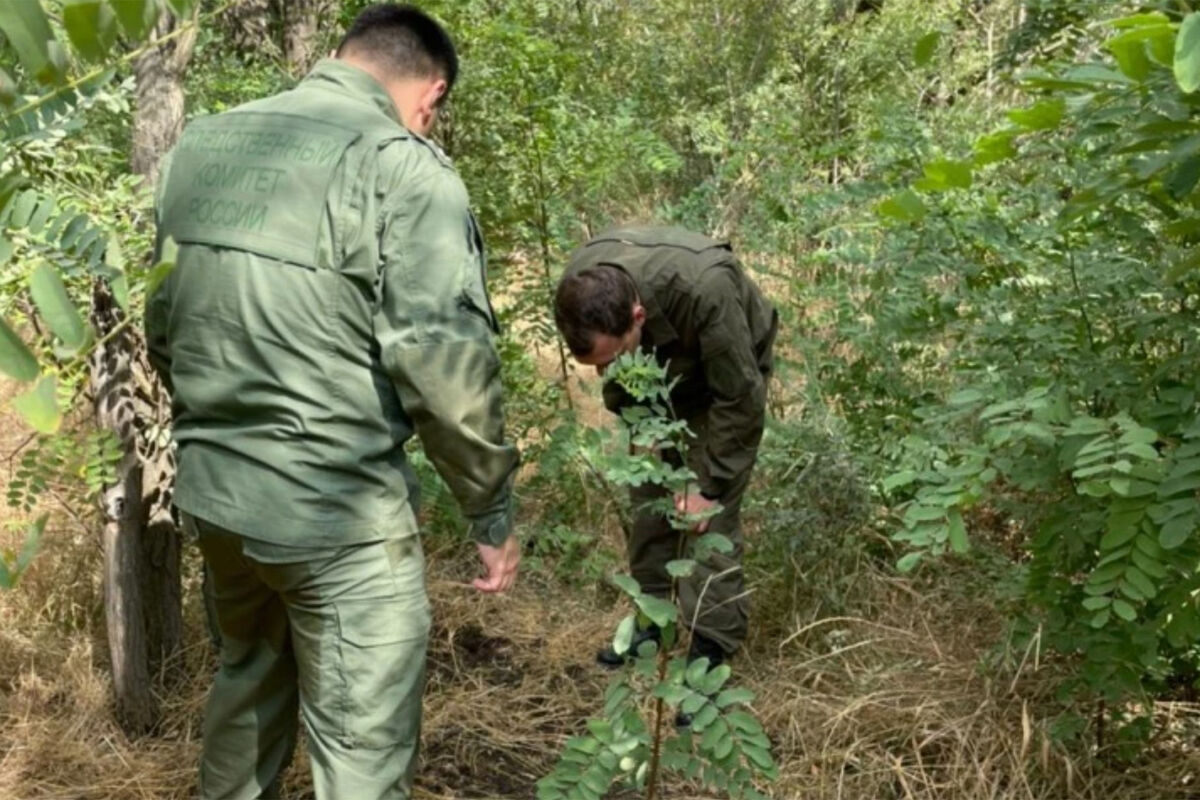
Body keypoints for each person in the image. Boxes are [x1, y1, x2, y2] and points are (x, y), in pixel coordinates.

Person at [145, 5, 520, 798]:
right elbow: (443, 366)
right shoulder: (403, 169)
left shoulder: (204, 145)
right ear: (431, 93)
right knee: (361, 753)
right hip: (336, 520)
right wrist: (490, 514)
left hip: (219, 500)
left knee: (247, 685)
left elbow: (164, 324)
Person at [554, 226, 777, 677]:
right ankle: (653, 621)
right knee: (651, 502)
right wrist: (638, 418)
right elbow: (615, 372)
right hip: (654, 379)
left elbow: (740, 399)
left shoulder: (705, 289)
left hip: (726, 373)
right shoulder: (576, 288)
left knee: (705, 523)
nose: (604, 374)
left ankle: (711, 649)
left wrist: (709, 488)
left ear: (638, 316)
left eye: (612, 359)